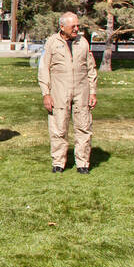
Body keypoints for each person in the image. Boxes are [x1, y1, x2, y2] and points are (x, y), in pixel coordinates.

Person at [37, 12, 98, 173]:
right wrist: (46, 93)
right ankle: (58, 162)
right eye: (73, 26)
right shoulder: (52, 43)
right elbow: (44, 69)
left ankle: (83, 163)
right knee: (58, 128)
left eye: (78, 26)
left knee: (84, 127)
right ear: (62, 27)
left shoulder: (83, 42)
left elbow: (91, 68)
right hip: (59, 91)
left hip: (81, 90)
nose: (77, 29)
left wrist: (92, 92)